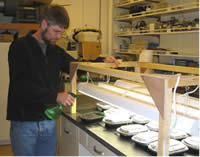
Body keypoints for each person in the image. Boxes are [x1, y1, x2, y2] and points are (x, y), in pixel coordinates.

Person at [7, 4, 119, 156]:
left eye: (62, 32)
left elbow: (77, 66)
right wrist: (55, 96)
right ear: (44, 24)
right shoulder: (20, 47)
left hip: (48, 121)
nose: (59, 37)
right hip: (24, 122)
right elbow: (21, 86)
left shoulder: (55, 51)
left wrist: (101, 61)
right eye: (56, 31)